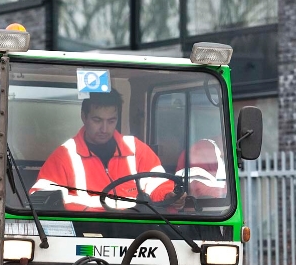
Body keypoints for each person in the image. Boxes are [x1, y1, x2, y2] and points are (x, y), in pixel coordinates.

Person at [29, 89, 185, 211]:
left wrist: (170, 195)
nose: (104, 129)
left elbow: (159, 185)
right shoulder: (64, 156)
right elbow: (40, 198)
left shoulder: (136, 149)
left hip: (136, 232)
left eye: (111, 121)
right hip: (84, 235)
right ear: (84, 117)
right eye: (97, 120)